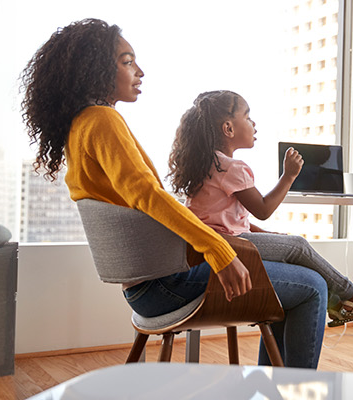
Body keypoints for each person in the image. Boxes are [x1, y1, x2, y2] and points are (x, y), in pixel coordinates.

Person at [20, 18, 328, 368]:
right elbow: (147, 196)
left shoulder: (80, 126)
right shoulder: (102, 120)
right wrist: (219, 252)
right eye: (127, 61)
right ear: (94, 69)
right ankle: (295, 389)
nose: (140, 70)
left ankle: (276, 386)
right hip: (168, 284)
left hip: (144, 289)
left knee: (294, 276)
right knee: (313, 287)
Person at [166, 90, 353, 327]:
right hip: (228, 245)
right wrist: (289, 176)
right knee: (298, 245)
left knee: (288, 245)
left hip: (209, 245)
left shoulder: (207, 164)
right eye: (248, 117)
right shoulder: (231, 168)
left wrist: (268, 236)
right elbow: (263, 209)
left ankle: (337, 304)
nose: (254, 124)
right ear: (228, 128)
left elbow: (231, 220)